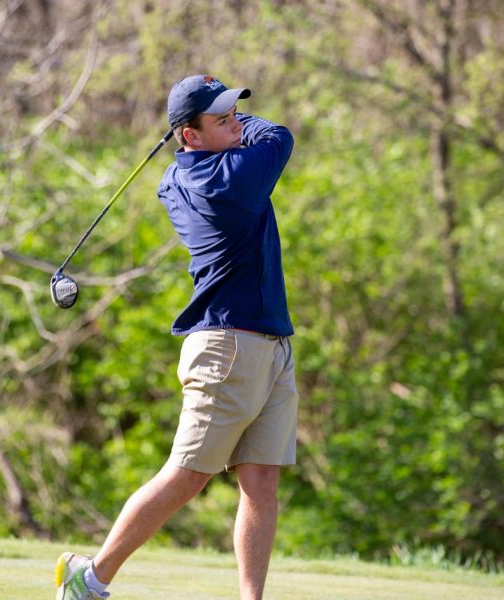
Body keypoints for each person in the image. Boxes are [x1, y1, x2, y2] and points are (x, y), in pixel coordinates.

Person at [55, 74, 298, 600]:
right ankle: (90, 579)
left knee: (261, 483)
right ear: (188, 135)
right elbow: (279, 136)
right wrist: (247, 127)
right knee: (187, 475)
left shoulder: (178, 175)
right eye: (222, 119)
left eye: (237, 113)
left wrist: (222, 122)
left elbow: (218, 149)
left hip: (269, 343)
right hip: (228, 348)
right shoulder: (227, 181)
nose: (236, 123)